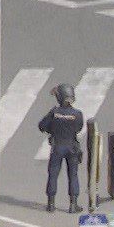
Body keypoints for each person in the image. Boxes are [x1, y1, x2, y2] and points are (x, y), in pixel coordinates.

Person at [37, 82, 85, 213]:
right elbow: (79, 128)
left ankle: (51, 204)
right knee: (73, 175)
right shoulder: (77, 114)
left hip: (57, 147)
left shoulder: (54, 113)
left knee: (53, 174)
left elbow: (42, 126)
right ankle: (73, 204)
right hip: (72, 147)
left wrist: (52, 130)